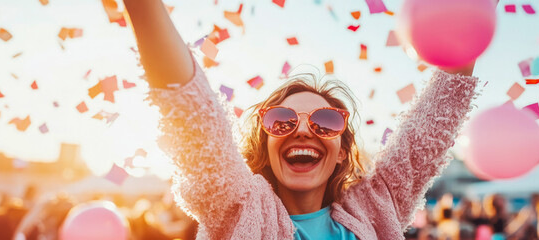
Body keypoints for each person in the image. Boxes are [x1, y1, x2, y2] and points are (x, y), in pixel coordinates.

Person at [124, 0, 481, 238]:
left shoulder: (374, 209)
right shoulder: (238, 207)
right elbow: (191, 110)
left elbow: (436, 116)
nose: (304, 131)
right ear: (266, 144)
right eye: (282, 120)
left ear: (342, 151)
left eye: (326, 122)